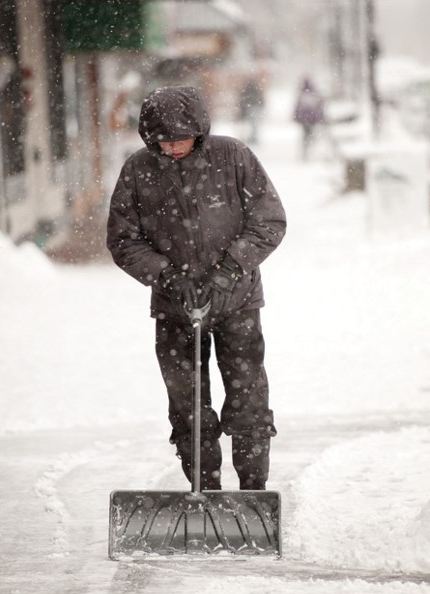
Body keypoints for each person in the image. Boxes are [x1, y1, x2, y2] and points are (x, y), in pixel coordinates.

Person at [106, 86, 286, 491]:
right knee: (188, 405)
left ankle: (253, 489)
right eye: (163, 141)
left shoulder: (233, 157)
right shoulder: (138, 171)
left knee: (248, 398)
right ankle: (204, 487)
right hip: (175, 310)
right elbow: (123, 240)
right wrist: (168, 276)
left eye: (180, 140)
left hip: (237, 302)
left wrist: (229, 269)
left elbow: (269, 221)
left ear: (200, 131)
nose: (172, 148)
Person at [293, 76, 326, 160]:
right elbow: (320, 106)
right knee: (311, 134)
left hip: (304, 120)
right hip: (312, 119)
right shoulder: (314, 92)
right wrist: (321, 117)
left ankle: (306, 150)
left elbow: (297, 107)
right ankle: (310, 149)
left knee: (305, 135)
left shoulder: (302, 93)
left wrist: (296, 117)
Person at [237, 77, 265, 144]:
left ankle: (251, 137)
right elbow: (261, 99)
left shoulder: (246, 90)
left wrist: (242, 108)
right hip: (255, 108)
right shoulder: (257, 90)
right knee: (254, 125)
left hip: (249, 108)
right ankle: (253, 137)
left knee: (250, 124)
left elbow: (242, 99)